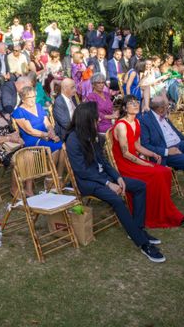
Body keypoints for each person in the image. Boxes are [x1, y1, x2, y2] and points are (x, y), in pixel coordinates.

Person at [66, 102, 165, 263]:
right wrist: (108, 183)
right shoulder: (73, 139)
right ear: (86, 119)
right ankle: (143, 243)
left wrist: (117, 177)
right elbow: (82, 171)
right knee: (117, 200)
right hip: (88, 182)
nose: (98, 119)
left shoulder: (94, 135)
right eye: (95, 117)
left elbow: (104, 161)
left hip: (103, 177)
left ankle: (137, 229)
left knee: (140, 186)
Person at [111, 95, 184, 228]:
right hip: (125, 165)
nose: (136, 105)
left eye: (137, 102)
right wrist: (145, 163)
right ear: (125, 108)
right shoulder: (121, 126)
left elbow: (137, 146)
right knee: (157, 173)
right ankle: (159, 214)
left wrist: (153, 153)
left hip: (134, 161)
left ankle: (162, 210)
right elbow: (125, 153)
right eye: (131, 103)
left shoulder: (136, 122)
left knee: (165, 171)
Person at [11, 85, 66, 174]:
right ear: (23, 99)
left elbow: (47, 123)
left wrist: (51, 131)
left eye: (34, 96)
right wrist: (48, 135)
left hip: (46, 135)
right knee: (55, 150)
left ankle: (59, 176)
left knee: (63, 147)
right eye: (30, 97)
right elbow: (30, 130)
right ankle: (49, 180)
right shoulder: (19, 111)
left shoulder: (38, 106)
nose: (33, 99)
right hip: (32, 139)